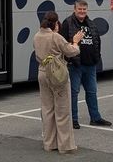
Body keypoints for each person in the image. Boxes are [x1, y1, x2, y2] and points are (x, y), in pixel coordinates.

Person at [33, 11, 83, 153]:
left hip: (42, 72)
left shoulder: (37, 36)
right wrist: (76, 42)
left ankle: (49, 143)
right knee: (62, 109)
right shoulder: (55, 37)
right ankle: (65, 145)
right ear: (55, 23)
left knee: (47, 109)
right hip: (57, 73)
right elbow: (71, 51)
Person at [61, 0, 111, 129]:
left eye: (84, 9)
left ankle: (95, 118)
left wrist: (97, 58)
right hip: (75, 65)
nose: (82, 11)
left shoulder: (91, 24)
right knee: (74, 93)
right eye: (80, 9)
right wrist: (69, 60)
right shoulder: (67, 23)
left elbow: (97, 41)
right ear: (74, 9)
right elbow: (63, 43)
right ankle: (73, 120)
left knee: (92, 92)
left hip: (90, 65)